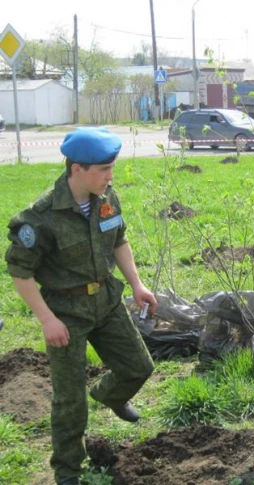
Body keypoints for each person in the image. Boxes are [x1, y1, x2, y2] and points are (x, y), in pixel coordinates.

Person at [5, 127, 156, 485]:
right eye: (103, 169)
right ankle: (68, 470)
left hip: (105, 300)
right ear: (76, 169)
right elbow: (19, 272)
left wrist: (137, 284)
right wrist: (46, 320)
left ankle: (110, 396)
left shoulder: (106, 197)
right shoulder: (39, 217)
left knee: (138, 367)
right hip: (65, 312)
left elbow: (119, 239)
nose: (110, 176)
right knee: (70, 400)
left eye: (111, 167)